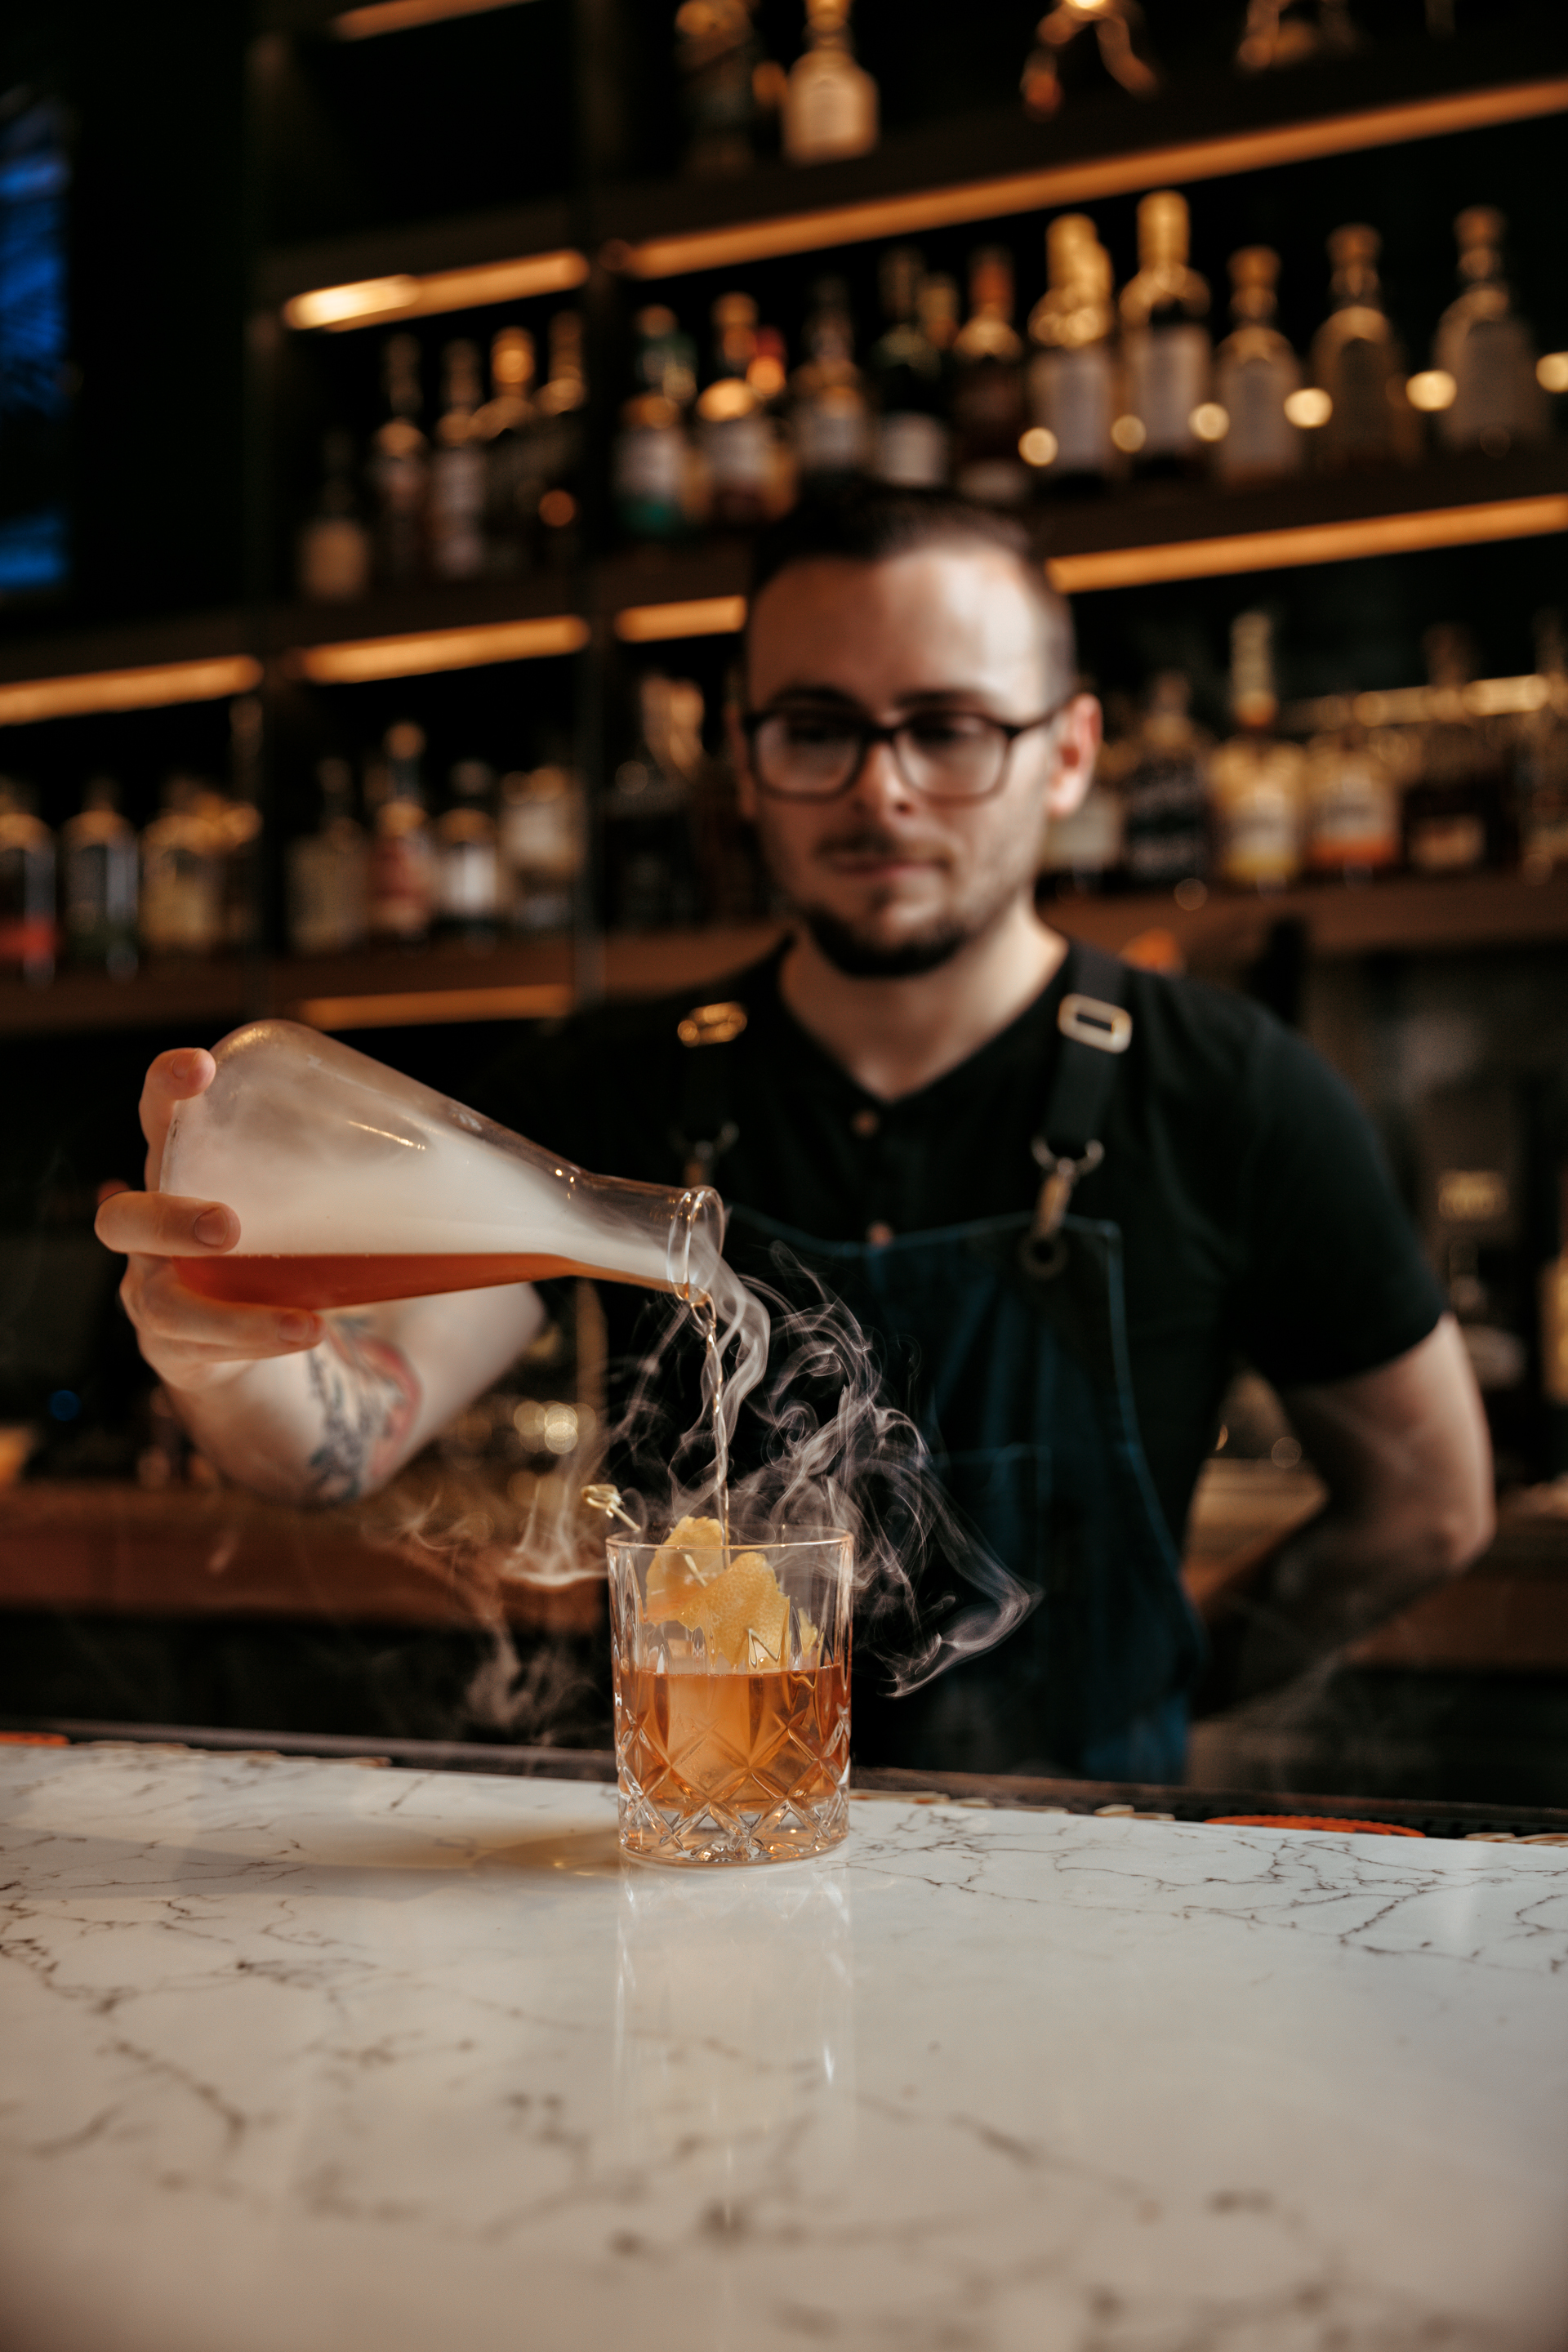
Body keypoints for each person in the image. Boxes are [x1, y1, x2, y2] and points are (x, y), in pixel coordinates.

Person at [97, 485, 1494, 1781]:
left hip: (1091, 1898)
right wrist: (214, 1347)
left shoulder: (1233, 1090)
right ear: (743, 752)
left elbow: (1431, 1502)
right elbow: (336, 1443)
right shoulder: (608, 1089)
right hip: (695, 1885)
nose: (881, 791)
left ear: (1068, 752)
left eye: (949, 729)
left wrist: (1171, 1693)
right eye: (819, 730)